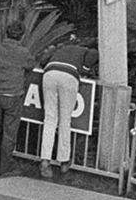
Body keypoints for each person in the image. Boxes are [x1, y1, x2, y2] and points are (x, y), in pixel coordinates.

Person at [37, 29, 97, 179]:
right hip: (69, 76)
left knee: (50, 119)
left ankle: (45, 159)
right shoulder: (86, 50)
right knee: (65, 120)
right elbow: (94, 55)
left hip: (49, 74)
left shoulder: (60, 48)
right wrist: (85, 70)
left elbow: (43, 61)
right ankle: (64, 161)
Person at [0, 19, 34, 177]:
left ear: (6, 32)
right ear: (21, 36)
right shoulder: (23, 53)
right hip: (13, 95)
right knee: (9, 132)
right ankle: (5, 168)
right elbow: (30, 65)